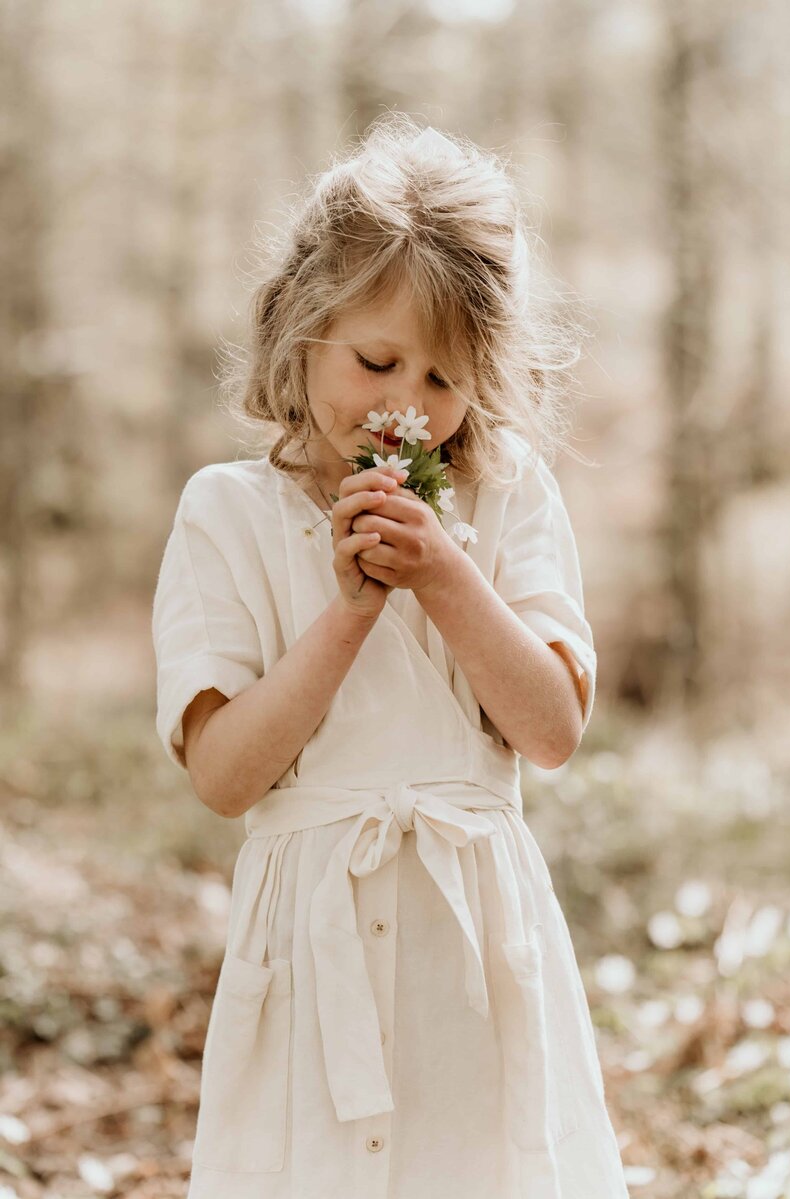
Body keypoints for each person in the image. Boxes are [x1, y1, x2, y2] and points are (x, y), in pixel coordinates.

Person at [151, 114, 630, 1199]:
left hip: (473, 940)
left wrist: (444, 575)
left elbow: (551, 728)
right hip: (309, 950)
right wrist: (349, 613)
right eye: (375, 361)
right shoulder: (225, 512)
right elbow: (224, 774)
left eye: (444, 382)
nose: (405, 406)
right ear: (302, 325)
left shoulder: (506, 497)